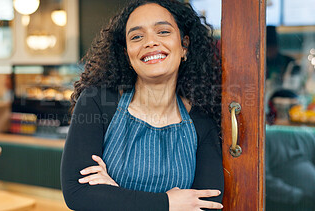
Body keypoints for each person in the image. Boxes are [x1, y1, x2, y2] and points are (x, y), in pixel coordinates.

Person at [61, 0, 224, 210]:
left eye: (163, 32)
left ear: (185, 46)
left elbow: (207, 205)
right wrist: (168, 203)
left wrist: (114, 193)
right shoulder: (98, 103)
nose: (150, 42)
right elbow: (77, 193)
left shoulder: (201, 119)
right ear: (127, 54)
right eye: (137, 36)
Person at [266, 90, 315, 211]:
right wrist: (299, 198)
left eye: (295, 107)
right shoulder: (265, 135)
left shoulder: (305, 132)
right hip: (288, 204)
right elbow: (264, 179)